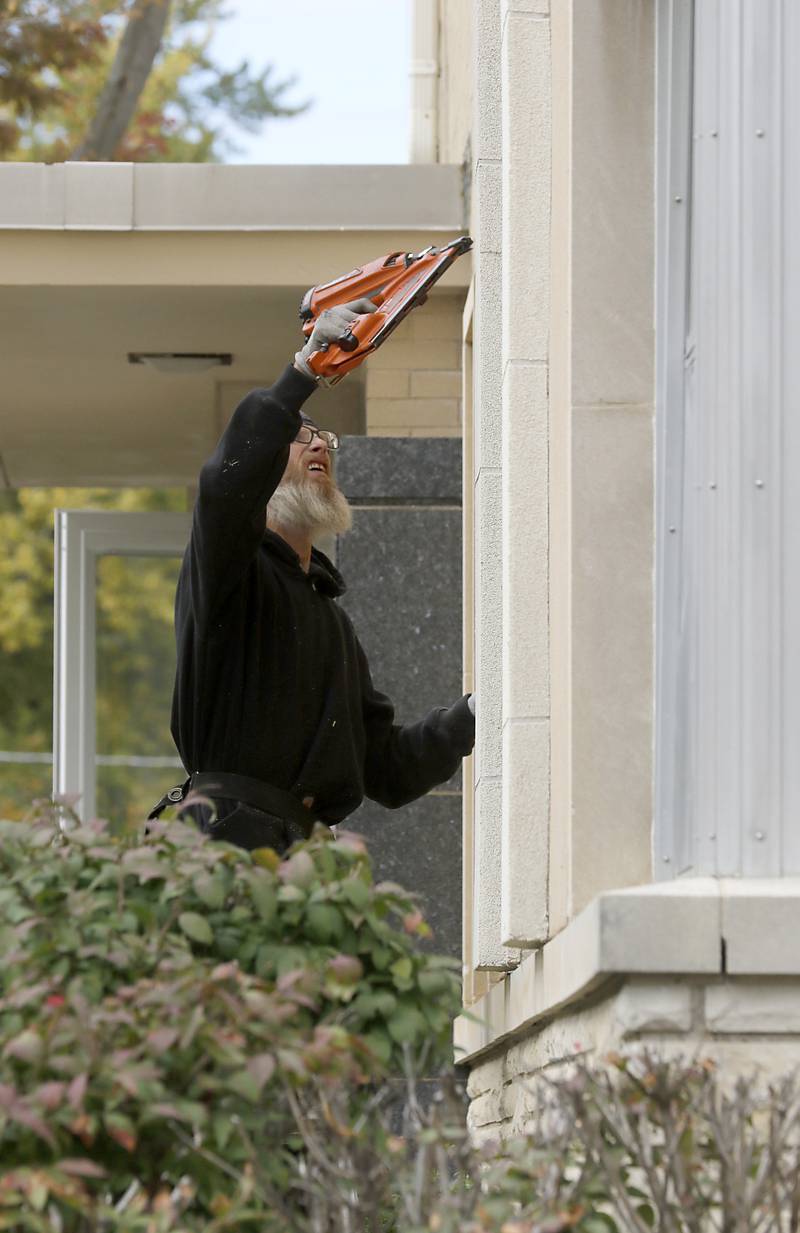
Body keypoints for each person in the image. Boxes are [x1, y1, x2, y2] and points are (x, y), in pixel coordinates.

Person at [149, 298, 476, 854]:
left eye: (324, 437)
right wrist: (303, 371)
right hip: (222, 845)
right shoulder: (232, 572)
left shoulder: (331, 622)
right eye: (300, 437)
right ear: (264, 471)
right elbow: (225, 488)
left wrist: (475, 714)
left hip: (300, 856)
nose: (320, 442)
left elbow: (387, 770)